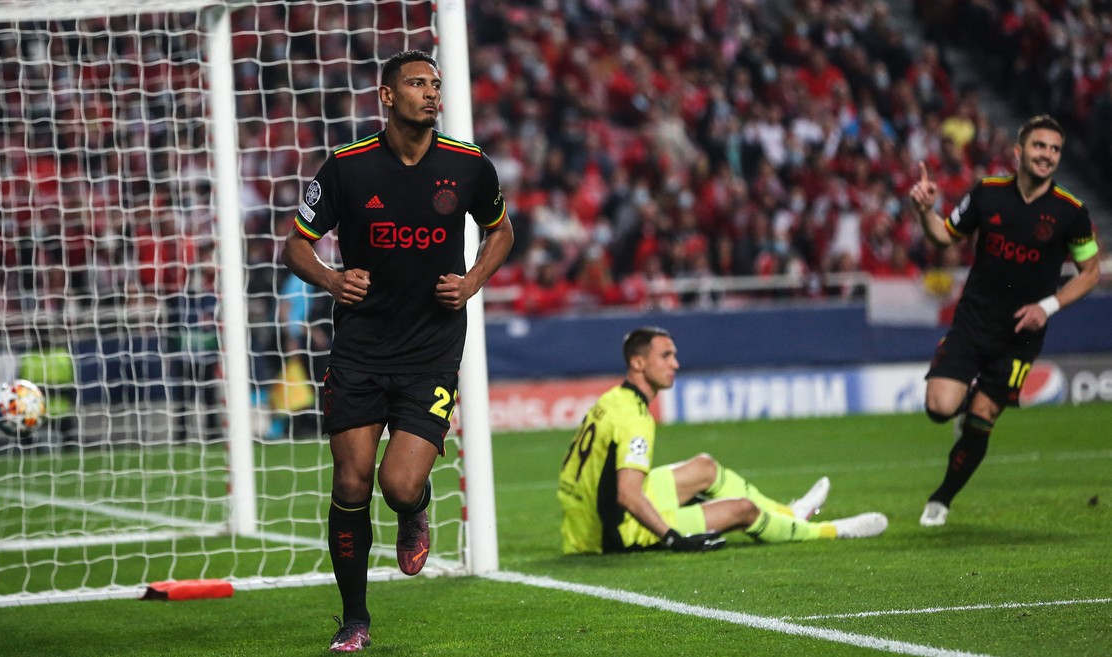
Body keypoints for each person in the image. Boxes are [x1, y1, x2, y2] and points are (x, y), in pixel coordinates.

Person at [282, 50, 514, 653]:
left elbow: (502, 230)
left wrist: (470, 282)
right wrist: (332, 279)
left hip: (432, 348)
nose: (431, 93)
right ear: (387, 97)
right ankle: (354, 618)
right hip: (360, 348)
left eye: (435, 84)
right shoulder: (345, 168)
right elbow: (296, 246)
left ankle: (417, 506)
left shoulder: (469, 166)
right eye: (416, 84)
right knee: (351, 482)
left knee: (397, 483)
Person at [908, 114, 1101, 527]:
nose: (1046, 155)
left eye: (1054, 149)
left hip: (1020, 336)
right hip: (973, 322)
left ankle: (941, 498)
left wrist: (1046, 307)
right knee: (940, 408)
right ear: (1019, 152)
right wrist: (925, 211)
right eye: (1039, 146)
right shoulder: (987, 194)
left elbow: (1091, 272)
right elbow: (943, 235)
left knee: (982, 418)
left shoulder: (1070, 212)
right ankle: (962, 397)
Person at [558, 326, 888, 555]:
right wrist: (674, 539)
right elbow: (628, 495)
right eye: (666, 356)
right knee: (743, 510)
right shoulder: (635, 419)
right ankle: (830, 530)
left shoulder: (612, 400)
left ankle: (790, 512)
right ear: (638, 362)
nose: (676, 364)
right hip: (612, 533)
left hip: (584, 521)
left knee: (704, 467)